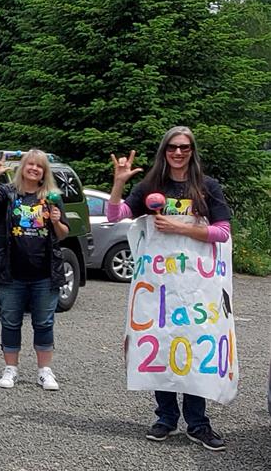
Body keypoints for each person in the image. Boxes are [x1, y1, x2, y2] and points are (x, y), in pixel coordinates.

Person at [107, 126, 231, 451]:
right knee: (161, 346)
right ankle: (165, 418)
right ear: (164, 151)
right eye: (172, 147)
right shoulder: (152, 186)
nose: (178, 153)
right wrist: (119, 183)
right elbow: (115, 215)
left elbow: (223, 232)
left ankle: (197, 423)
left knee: (193, 349)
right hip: (159, 286)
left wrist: (180, 228)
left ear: (192, 151)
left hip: (196, 286)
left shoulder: (206, 187)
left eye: (185, 147)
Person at [0, 149, 69, 391]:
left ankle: (44, 371)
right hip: (11, 273)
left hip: (45, 273)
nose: (34, 168)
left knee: (45, 323)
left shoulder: (52, 197)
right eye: (30, 164)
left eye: (39, 166)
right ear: (22, 167)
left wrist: (57, 221)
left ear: (44, 172)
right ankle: (11, 369)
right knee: (10, 321)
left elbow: (62, 234)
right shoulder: (7, 193)